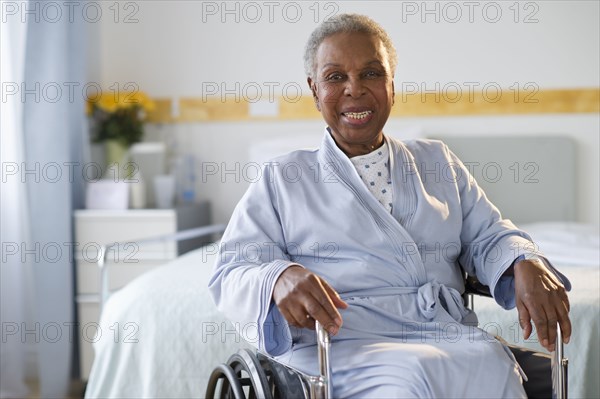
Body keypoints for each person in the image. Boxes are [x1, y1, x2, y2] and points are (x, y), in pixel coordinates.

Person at [209, 13, 571, 398]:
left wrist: (522, 260)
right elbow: (232, 269)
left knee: (490, 362)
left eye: (371, 74)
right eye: (335, 78)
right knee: (412, 378)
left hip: (443, 333)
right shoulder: (283, 177)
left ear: (392, 85)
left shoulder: (437, 161)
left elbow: (488, 235)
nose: (354, 89)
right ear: (314, 90)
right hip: (344, 346)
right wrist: (278, 278)